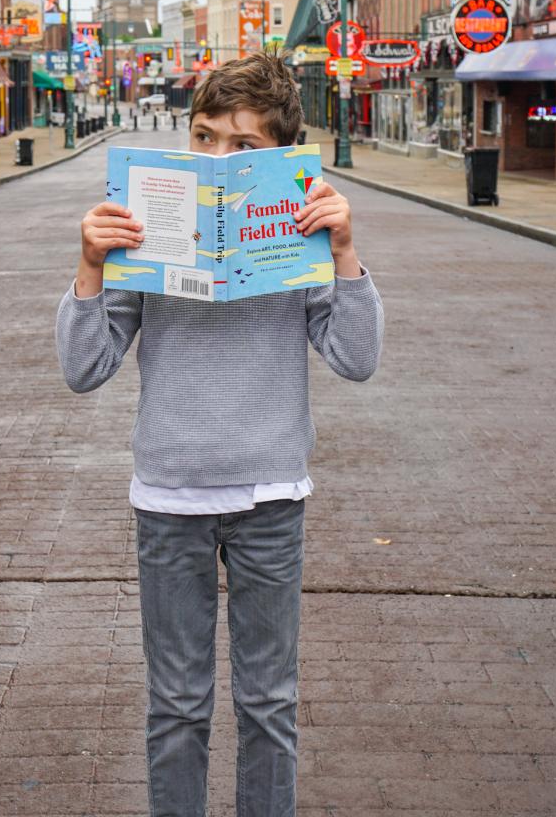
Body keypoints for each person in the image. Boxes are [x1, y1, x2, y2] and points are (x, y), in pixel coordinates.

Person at [56, 49, 384, 817]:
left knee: (269, 704)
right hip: (170, 496)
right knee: (175, 703)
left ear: (281, 158)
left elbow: (357, 359)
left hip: (272, 493)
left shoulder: (302, 231)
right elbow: (85, 368)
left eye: (243, 148)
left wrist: (343, 253)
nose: (218, 159)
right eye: (205, 138)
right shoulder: (148, 230)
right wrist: (89, 267)